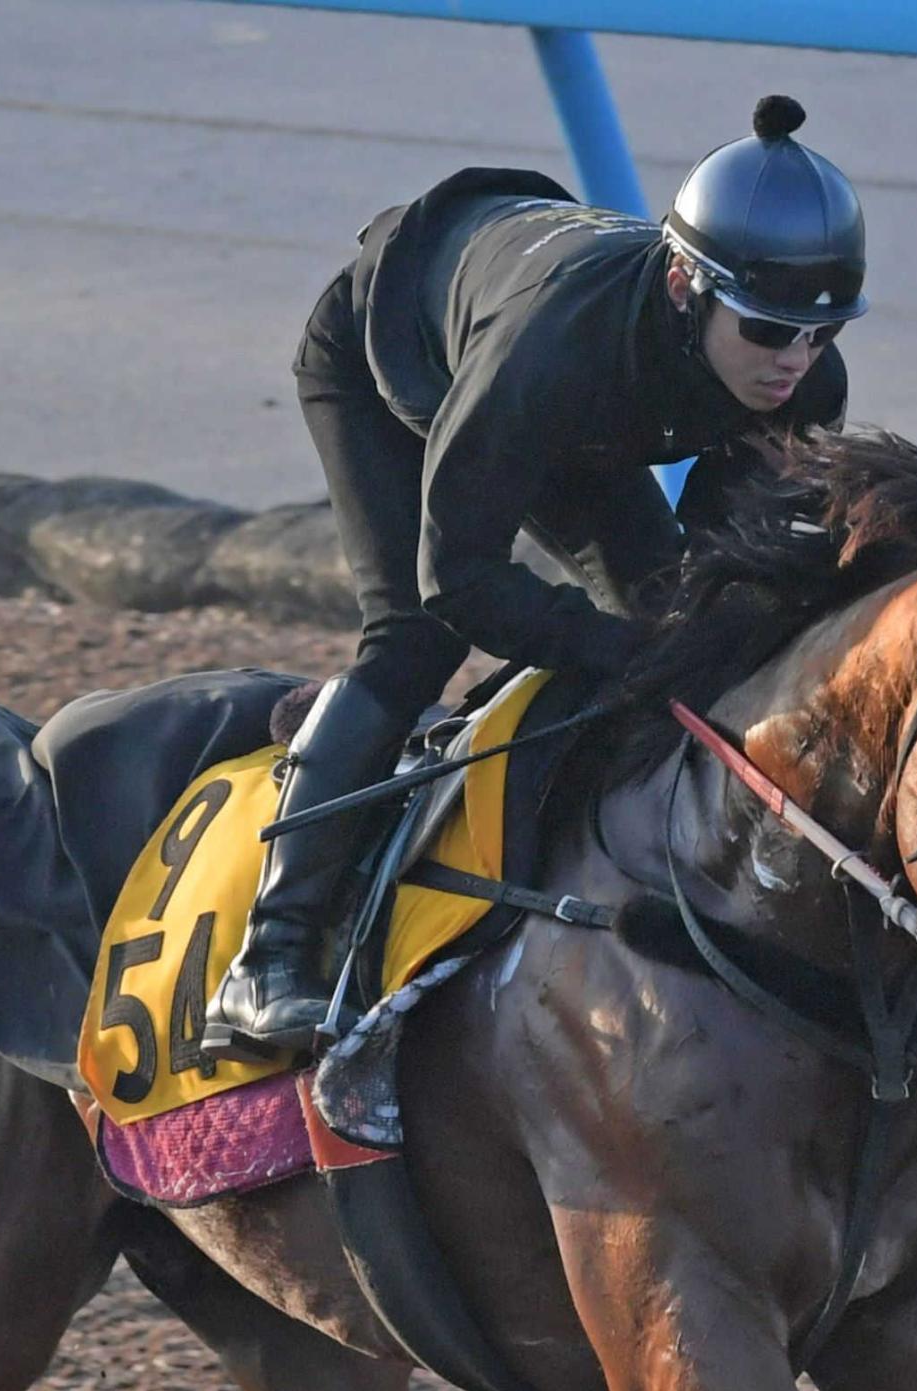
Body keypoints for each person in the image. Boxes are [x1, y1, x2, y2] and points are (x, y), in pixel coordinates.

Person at [203, 95, 867, 1057]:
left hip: (570, 397)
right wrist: (625, 647)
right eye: (768, 331)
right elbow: (461, 582)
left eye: (822, 333)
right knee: (414, 640)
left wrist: (683, 635)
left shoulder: (807, 381)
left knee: (673, 621)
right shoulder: (551, 353)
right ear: (687, 285)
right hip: (395, 359)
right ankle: (268, 958)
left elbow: (707, 587)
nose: (795, 363)